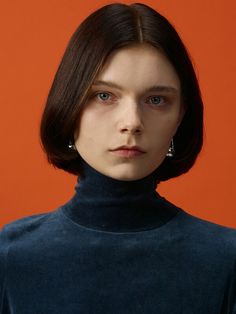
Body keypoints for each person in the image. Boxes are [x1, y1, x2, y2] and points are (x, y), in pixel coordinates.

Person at [0, 2, 235, 313]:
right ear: (70, 108)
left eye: (156, 99)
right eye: (104, 96)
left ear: (180, 117)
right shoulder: (10, 256)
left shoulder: (226, 260)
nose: (132, 122)